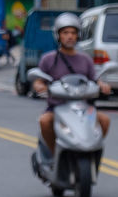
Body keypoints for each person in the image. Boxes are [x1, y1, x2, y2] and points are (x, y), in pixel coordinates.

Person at [32, 12, 111, 158]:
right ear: (58, 35)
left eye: (73, 33)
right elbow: (39, 79)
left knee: (104, 120)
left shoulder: (85, 59)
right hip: (57, 107)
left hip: (83, 108)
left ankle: (92, 152)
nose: (70, 36)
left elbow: (94, 79)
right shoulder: (48, 59)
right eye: (65, 32)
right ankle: (54, 153)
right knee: (44, 121)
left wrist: (102, 85)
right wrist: (39, 86)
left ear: (78, 36)